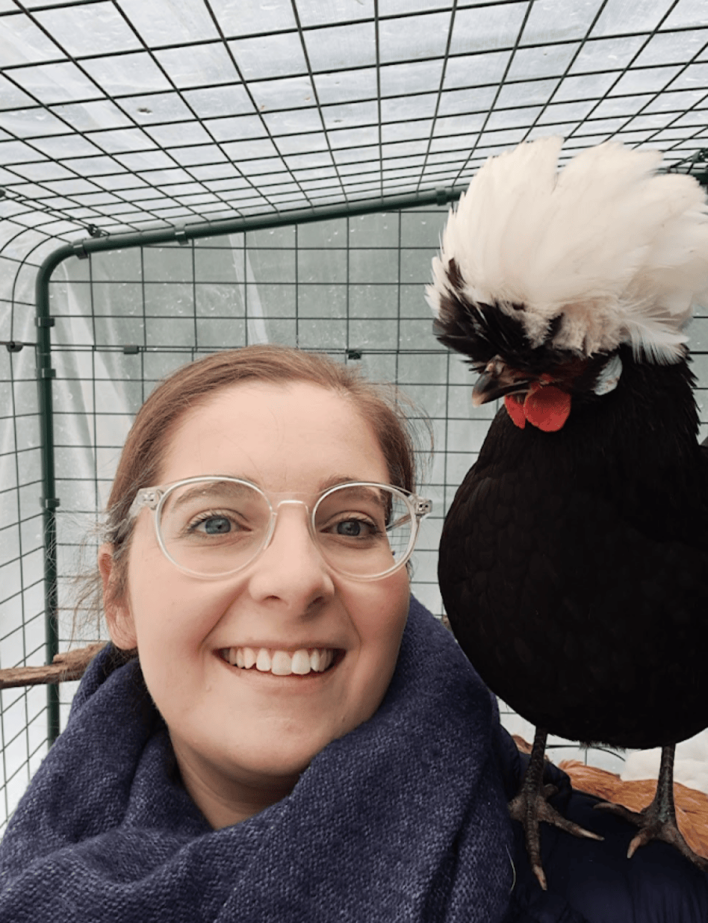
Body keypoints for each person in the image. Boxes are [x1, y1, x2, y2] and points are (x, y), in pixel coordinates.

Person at [0, 345, 706, 923]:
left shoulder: (641, 901)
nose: (296, 578)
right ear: (117, 594)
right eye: (216, 520)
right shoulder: (29, 877)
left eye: (351, 524)